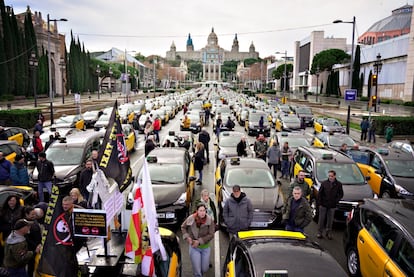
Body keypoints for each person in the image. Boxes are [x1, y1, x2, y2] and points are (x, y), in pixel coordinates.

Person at [181, 203, 215, 277]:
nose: (202, 213)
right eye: (200, 210)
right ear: (197, 211)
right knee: (197, 270)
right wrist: (187, 237)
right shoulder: (191, 218)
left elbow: (211, 234)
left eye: (204, 210)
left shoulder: (210, 220)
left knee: (204, 269)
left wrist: (199, 242)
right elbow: (183, 227)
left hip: (205, 247)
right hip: (194, 248)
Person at [317, 170, 344, 240]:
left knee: (330, 220)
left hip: (332, 205)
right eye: (329, 176)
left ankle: (328, 233)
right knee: (321, 219)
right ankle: (319, 232)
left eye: (331, 176)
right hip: (323, 204)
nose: (330, 177)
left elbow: (341, 194)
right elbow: (320, 194)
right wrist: (320, 203)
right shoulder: (324, 183)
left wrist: (336, 200)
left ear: (335, 176)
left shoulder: (338, 184)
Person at [23, 206, 42, 277]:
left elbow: (39, 234)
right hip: (30, 249)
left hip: (37, 247)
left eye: (34, 214)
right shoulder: (24, 224)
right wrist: (35, 247)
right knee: (30, 266)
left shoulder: (35, 221)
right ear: (26, 215)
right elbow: (26, 238)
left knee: (34, 265)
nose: (34, 216)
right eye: (32, 214)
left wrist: (40, 244)